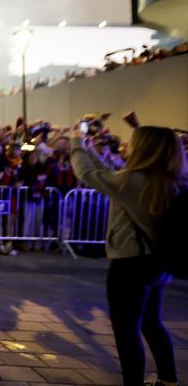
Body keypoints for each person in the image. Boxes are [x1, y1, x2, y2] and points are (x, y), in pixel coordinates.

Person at [71, 125, 185, 386]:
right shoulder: (169, 180)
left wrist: (76, 144)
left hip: (130, 264)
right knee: (151, 323)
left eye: (133, 142)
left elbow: (88, 174)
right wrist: (91, 150)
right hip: (158, 262)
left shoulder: (135, 182)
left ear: (144, 147)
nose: (127, 146)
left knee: (126, 331)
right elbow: (113, 175)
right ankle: (168, 380)